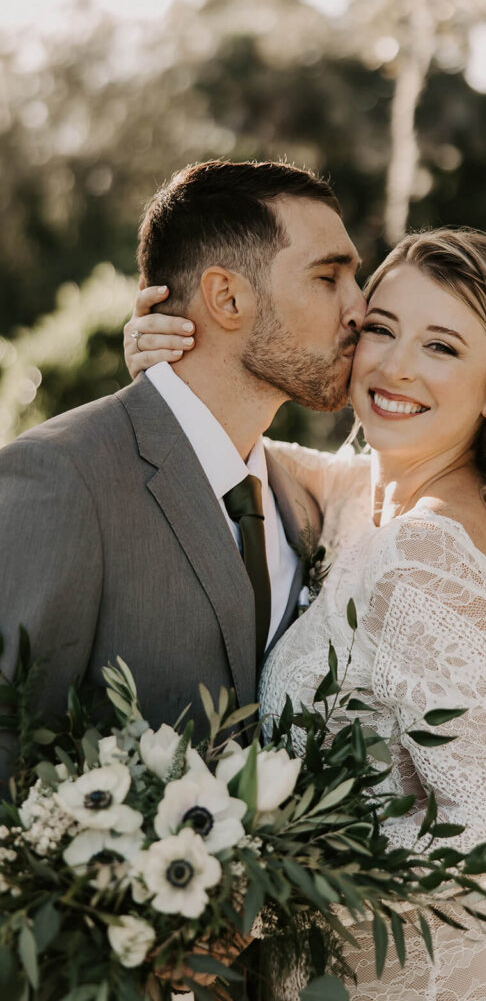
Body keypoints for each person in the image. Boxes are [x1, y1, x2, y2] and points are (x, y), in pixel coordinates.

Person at [126, 225, 486, 1000]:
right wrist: (175, 370)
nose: (395, 366)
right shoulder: (372, 495)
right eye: (380, 329)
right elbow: (241, 454)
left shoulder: (429, 554)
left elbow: (479, 838)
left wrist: (258, 870)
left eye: (442, 346)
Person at [0, 159, 366, 791]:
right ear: (226, 297)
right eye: (329, 277)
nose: (361, 309)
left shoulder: (301, 503)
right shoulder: (62, 479)